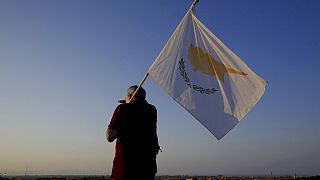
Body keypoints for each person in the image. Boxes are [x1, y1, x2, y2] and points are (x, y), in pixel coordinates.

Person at [106, 85, 160, 180]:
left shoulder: (121, 109)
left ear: (130, 96)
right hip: (147, 168)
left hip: (126, 168)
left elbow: (110, 137)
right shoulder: (152, 110)